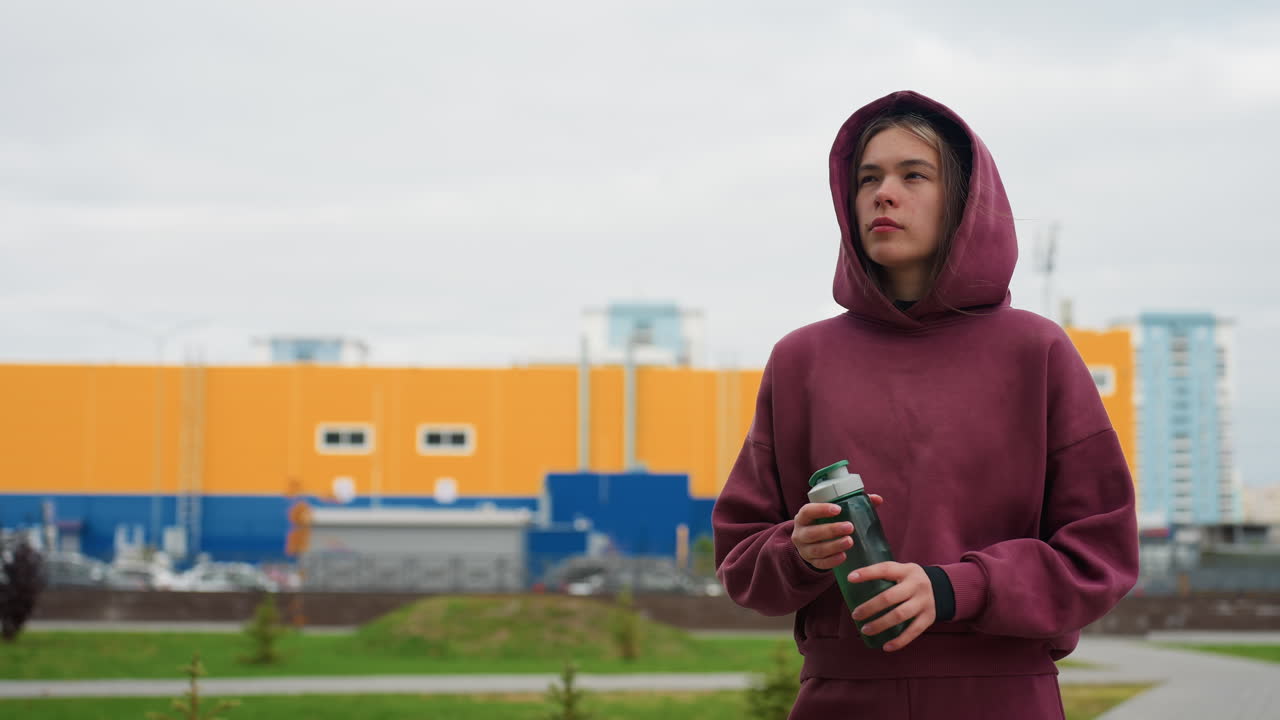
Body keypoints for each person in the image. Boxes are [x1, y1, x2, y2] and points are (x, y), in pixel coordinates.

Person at [711, 90, 1139, 718]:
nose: (884, 193)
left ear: (965, 201)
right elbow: (740, 557)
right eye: (868, 178)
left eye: (914, 175)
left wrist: (951, 587)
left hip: (1002, 696)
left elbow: (1099, 553)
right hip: (842, 698)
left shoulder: (1037, 351)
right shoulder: (800, 360)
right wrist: (799, 550)